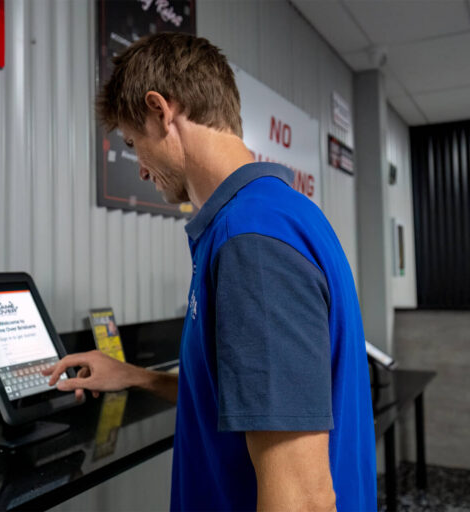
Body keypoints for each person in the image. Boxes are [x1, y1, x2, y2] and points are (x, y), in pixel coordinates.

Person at [43, 32, 377, 511]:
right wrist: (135, 376)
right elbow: (245, 398)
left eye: (134, 143)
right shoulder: (280, 214)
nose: (141, 169)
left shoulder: (254, 243)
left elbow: (304, 499)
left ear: (161, 110)